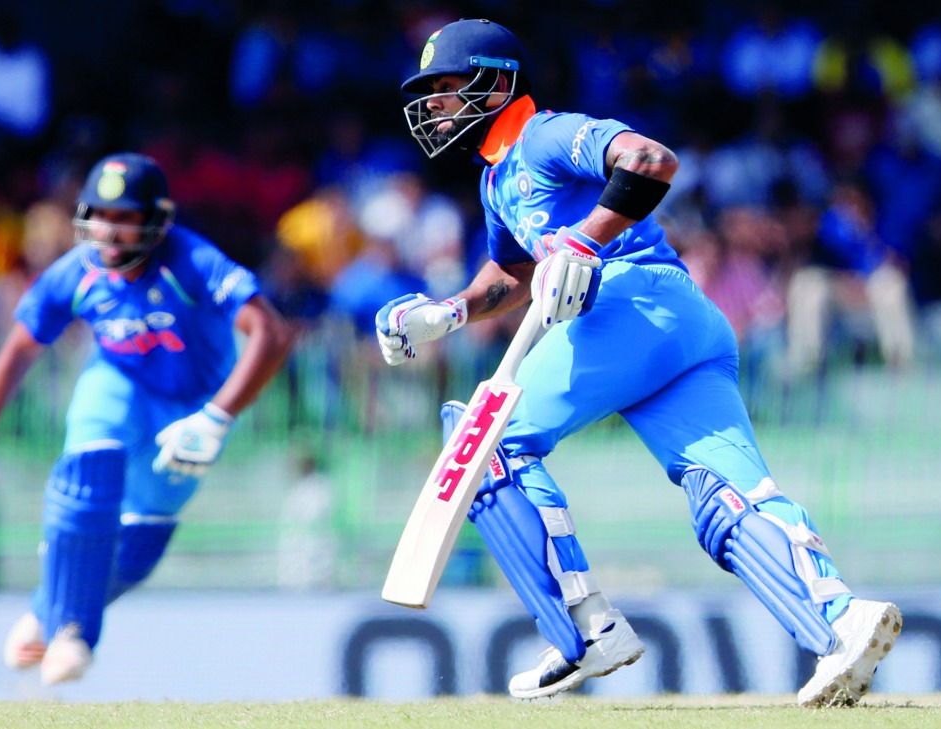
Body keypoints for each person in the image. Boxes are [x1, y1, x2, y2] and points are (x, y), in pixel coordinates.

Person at [375, 19, 901, 706]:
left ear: (498, 81)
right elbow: (513, 272)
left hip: (628, 302)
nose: (436, 105)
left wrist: (587, 242)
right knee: (726, 494)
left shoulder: (545, 135)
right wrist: (447, 312)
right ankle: (841, 622)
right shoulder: (497, 180)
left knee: (485, 445)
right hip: (683, 325)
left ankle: (584, 628)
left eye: (447, 87)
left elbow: (650, 160)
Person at [0, 153, 294, 685]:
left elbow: (273, 334)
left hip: (193, 407)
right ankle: (72, 635)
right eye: (100, 216)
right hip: (117, 382)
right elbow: (18, 351)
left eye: (125, 218)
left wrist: (216, 418)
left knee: (141, 540)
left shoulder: (190, 261)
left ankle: (48, 608)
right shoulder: (77, 272)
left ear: (157, 221)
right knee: (87, 474)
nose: (109, 232)